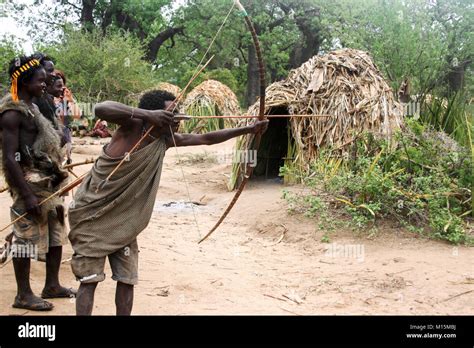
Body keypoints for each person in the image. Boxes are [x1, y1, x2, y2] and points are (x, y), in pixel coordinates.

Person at [68, 89, 268, 315]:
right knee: (89, 279)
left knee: (127, 279)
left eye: (177, 114)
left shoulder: (164, 140)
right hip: (92, 216)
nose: (176, 119)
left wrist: (248, 129)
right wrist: (147, 115)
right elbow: (101, 108)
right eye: (170, 114)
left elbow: (206, 138)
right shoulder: (131, 127)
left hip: (124, 222)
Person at [0, 55, 76, 311]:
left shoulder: (34, 107)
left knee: (56, 234)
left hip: (48, 182)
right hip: (29, 184)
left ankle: (51, 285)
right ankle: (23, 294)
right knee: (23, 239)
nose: (46, 84)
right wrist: (27, 195)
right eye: (41, 81)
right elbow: (10, 159)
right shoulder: (12, 113)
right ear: (24, 82)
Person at [53, 69, 81, 164]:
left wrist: (70, 100)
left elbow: (77, 115)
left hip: (64, 136)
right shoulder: (44, 97)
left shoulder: (66, 98)